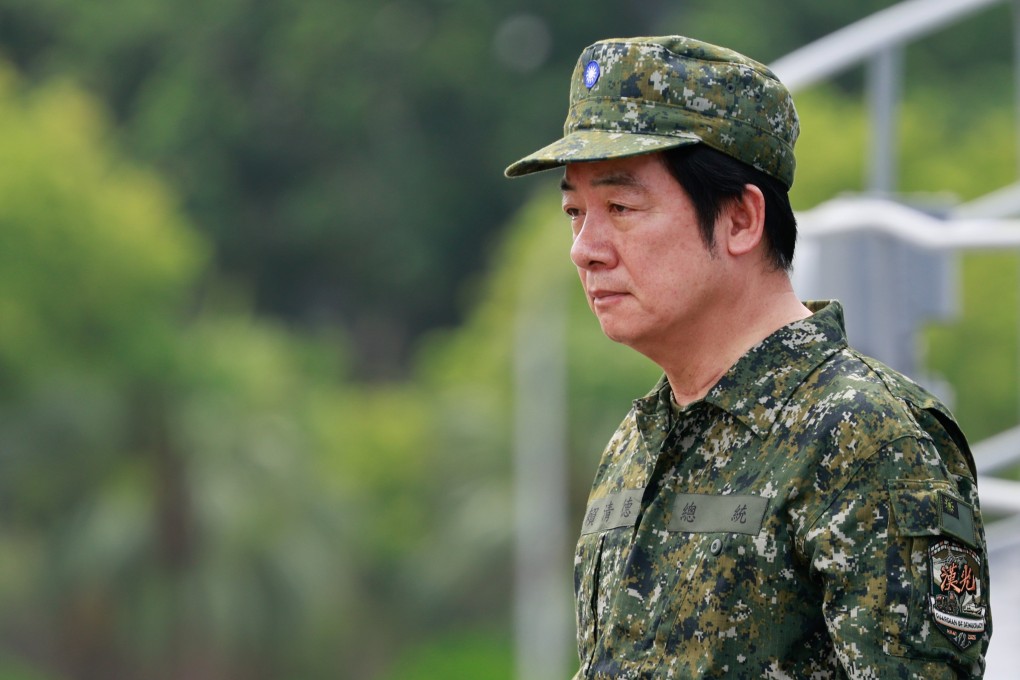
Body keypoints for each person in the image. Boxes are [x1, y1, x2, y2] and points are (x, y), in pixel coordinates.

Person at [504, 35, 991, 678]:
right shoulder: (638, 442)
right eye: (575, 212)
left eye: (620, 208)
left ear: (740, 219)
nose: (585, 248)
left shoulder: (865, 436)